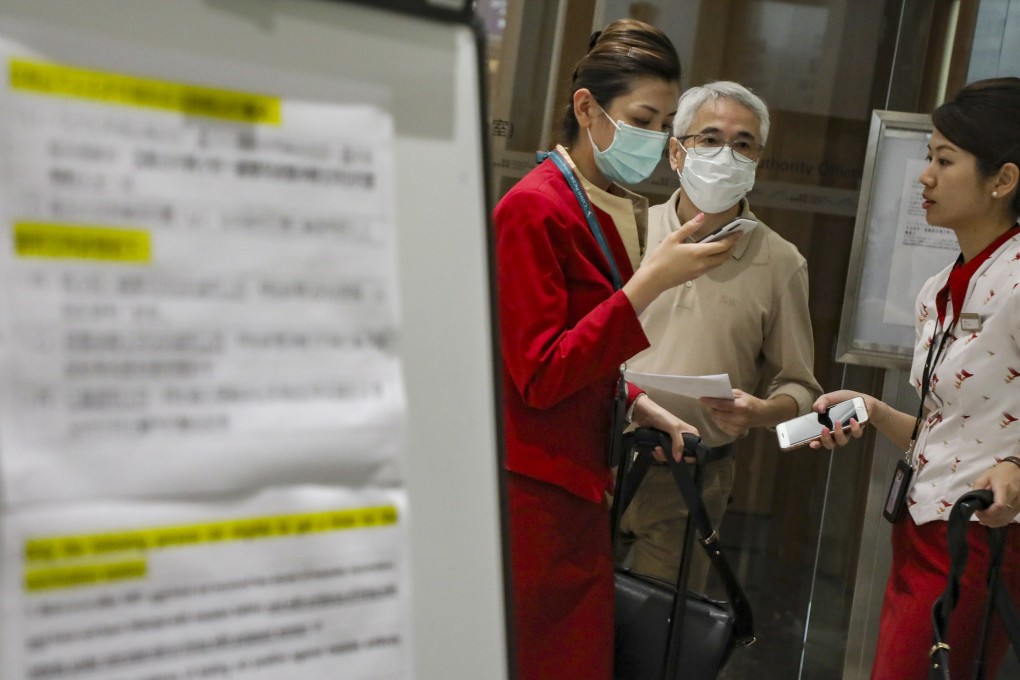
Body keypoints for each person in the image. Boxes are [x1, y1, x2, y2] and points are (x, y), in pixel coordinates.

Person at [493, 20, 739, 680]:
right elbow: (540, 373)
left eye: (665, 123)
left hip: (578, 487)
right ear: (585, 108)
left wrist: (638, 406)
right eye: (642, 118)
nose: (653, 139)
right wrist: (648, 284)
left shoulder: (604, 205)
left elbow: (580, 355)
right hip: (533, 497)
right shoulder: (534, 209)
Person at [811, 77, 1020, 680]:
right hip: (919, 533)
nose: (924, 176)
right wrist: (873, 411)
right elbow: (950, 434)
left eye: (944, 160)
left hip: (980, 544)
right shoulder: (940, 287)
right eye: (927, 157)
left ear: (1002, 180)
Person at [615, 81, 822, 588]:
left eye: (743, 144)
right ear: (676, 152)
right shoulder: (626, 229)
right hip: (601, 457)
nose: (726, 154)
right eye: (708, 139)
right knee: (570, 627)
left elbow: (802, 387)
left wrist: (762, 412)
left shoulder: (780, 260)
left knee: (658, 637)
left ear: (757, 162)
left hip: (692, 476)